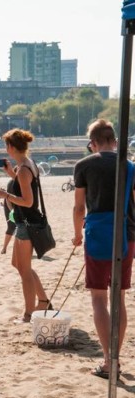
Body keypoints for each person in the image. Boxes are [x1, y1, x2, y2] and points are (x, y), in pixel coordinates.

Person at [72, 119, 134, 379]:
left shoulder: (84, 165)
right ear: (115, 141)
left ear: (93, 143)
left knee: (98, 299)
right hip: (126, 236)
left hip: (98, 234)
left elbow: (79, 207)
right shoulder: (130, 167)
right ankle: (115, 358)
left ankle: (109, 360)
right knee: (118, 298)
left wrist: (76, 235)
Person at [0, 129, 50, 323]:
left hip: (26, 223)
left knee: (24, 270)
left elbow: (28, 201)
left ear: (11, 147)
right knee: (18, 264)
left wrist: (4, 194)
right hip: (26, 222)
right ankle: (43, 301)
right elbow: (25, 185)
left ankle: (29, 313)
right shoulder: (27, 165)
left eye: (6, 145)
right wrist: (10, 173)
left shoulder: (24, 169)